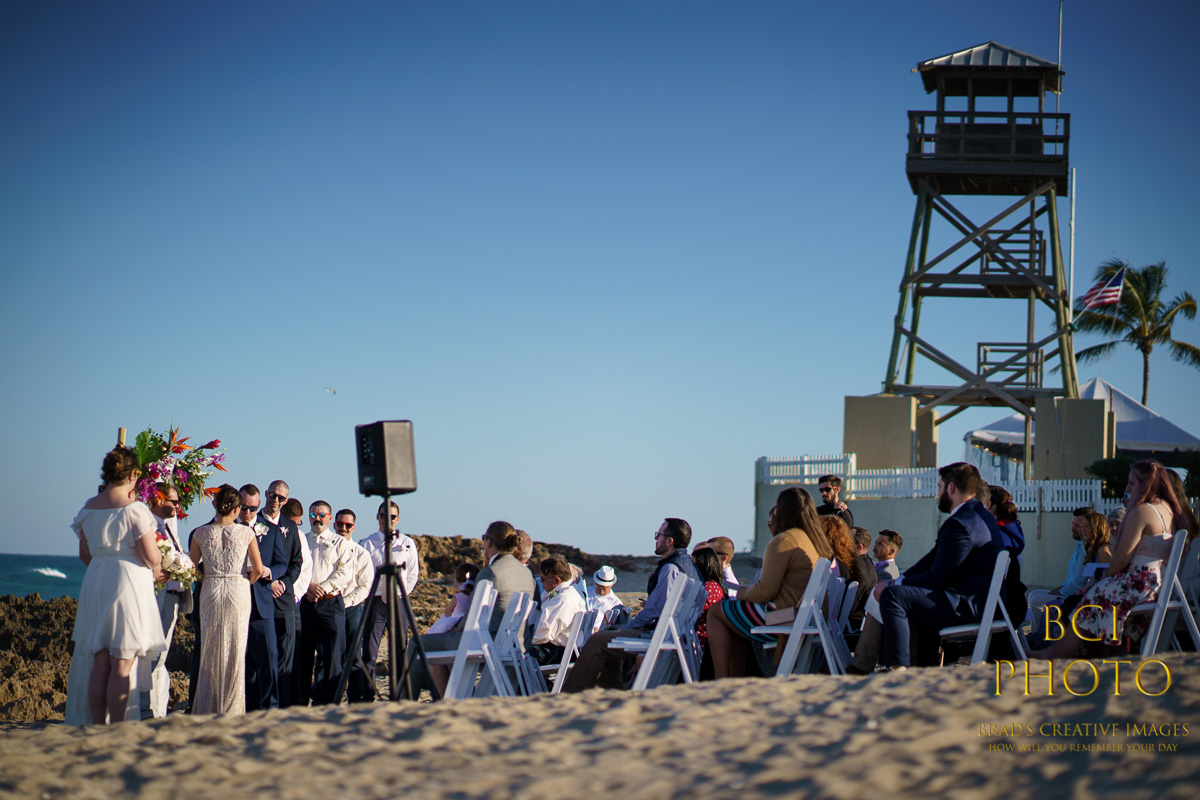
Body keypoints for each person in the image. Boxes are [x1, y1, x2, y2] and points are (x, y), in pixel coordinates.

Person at [1031, 460, 1185, 659]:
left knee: (1090, 598)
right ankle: (1069, 652)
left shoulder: (1142, 512)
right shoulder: (1169, 511)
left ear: (1147, 484)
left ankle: (1057, 653)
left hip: (1137, 586)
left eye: (1132, 483)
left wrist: (1104, 578)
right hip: (1156, 585)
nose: (1128, 489)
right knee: (1093, 595)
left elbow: (1119, 561)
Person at [65, 447, 168, 725]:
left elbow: (84, 555)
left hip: (96, 580)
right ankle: (119, 728)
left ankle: (97, 725)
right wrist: (158, 567)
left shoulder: (88, 508)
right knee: (122, 662)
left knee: (100, 661)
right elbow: (151, 555)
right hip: (127, 583)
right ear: (133, 475)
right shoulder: (135, 510)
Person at [706, 489, 834, 679]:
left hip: (785, 616)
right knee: (732, 619)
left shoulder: (785, 540)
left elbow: (765, 591)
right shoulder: (812, 540)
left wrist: (741, 592)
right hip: (805, 616)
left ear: (782, 510)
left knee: (717, 611)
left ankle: (721, 679)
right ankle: (734, 679)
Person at [563, 518, 701, 692]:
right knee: (608, 634)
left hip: (659, 634)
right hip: (677, 634)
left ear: (669, 541)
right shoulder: (690, 566)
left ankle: (570, 694)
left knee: (596, 641)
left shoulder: (670, 568)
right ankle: (613, 691)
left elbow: (654, 610)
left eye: (658, 535)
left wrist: (629, 626)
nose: (655, 538)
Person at [421, 521, 535, 697]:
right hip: (516, 645)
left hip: (488, 644)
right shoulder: (526, 573)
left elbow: (471, 617)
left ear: (489, 542)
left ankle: (403, 700)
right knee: (441, 655)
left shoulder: (491, 572)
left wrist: (455, 630)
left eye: (483, 539)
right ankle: (450, 699)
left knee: (419, 643)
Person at [189, 485, 268, 715]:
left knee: (210, 650)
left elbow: (192, 569)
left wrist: (208, 578)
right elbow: (258, 569)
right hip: (238, 589)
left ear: (215, 506)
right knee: (235, 651)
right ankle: (232, 710)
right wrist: (243, 582)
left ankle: (207, 707)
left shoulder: (200, 533)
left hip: (211, 589)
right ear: (236, 509)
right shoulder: (246, 533)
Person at [350, 500, 421, 702]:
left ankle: (398, 696)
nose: (387, 520)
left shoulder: (407, 543)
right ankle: (367, 695)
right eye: (383, 515)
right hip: (375, 602)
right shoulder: (367, 544)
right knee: (370, 652)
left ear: (397, 519)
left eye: (392, 516)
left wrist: (400, 594)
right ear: (377, 516)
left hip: (398, 601)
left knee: (400, 651)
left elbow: (412, 574)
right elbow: (361, 574)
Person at [295, 500, 354, 706]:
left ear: (329, 518)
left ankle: (329, 703)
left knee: (333, 656)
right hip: (305, 602)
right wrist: (309, 587)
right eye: (313, 515)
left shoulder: (340, 543)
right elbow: (295, 567)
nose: (317, 519)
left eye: (321, 515)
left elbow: (345, 572)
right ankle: (300, 701)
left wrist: (323, 588)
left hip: (330, 603)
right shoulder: (301, 540)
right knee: (303, 655)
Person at [144, 482, 193, 719]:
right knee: (152, 654)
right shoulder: (149, 525)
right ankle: (145, 708)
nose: (177, 506)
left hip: (171, 597)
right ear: (159, 499)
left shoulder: (165, 526)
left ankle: (156, 708)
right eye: (173, 501)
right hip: (158, 597)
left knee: (160, 656)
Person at [257, 480, 305, 707]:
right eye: (273, 495)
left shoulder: (290, 527)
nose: (276, 501)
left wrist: (283, 584)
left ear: (286, 500)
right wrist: (269, 582)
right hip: (259, 597)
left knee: (286, 659)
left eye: (281, 498)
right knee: (261, 657)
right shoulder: (253, 522)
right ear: (266, 494)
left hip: (284, 601)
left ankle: (283, 707)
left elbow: (296, 562)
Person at [240, 483, 286, 710]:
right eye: (243, 507)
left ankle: (271, 710)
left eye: (252, 508)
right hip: (236, 603)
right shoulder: (227, 528)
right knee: (242, 663)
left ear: (259, 504)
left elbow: (282, 563)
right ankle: (247, 710)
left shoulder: (271, 530)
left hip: (262, 604)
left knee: (269, 659)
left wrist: (269, 572)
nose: (247, 513)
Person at [1026, 508, 1099, 621]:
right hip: (1070, 592)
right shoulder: (1081, 546)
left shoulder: (1085, 549)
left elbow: (1076, 585)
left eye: (1078, 526)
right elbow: (1069, 582)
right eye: (1072, 523)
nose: (1072, 528)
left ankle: (1041, 632)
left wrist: (1052, 594)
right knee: (1033, 594)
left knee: (1036, 600)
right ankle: (1041, 629)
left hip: (1074, 597)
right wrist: (1054, 592)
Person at [333, 509, 374, 674]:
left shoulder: (361, 554)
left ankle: (355, 691)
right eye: (340, 524)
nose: (343, 528)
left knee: (354, 655)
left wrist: (346, 602)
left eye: (348, 525)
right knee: (328, 653)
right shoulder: (324, 548)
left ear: (353, 528)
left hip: (352, 608)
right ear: (334, 524)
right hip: (327, 606)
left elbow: (365, 586)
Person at [530, 556, 588, 666]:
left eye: (543, 578)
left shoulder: (565, 598)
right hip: (555, 648)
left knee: (511, 651)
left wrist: (519, 636)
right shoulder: (561, 590)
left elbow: (544, 632)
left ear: (557, 580)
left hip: (556, 652)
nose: (540, 581)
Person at [425, 562, 480, 635]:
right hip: (472, 626)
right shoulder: (477, 596)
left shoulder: (459, 597)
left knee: (436, 629)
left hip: (457, 626)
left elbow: (447, 612)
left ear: (458, 581)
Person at [691, 547, 727, 651]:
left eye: (694, 565)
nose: (691, 568)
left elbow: (695, 615)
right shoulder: (713, 586)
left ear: (704, 566)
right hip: (703, 640)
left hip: (701, 642)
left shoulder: (708, 589)